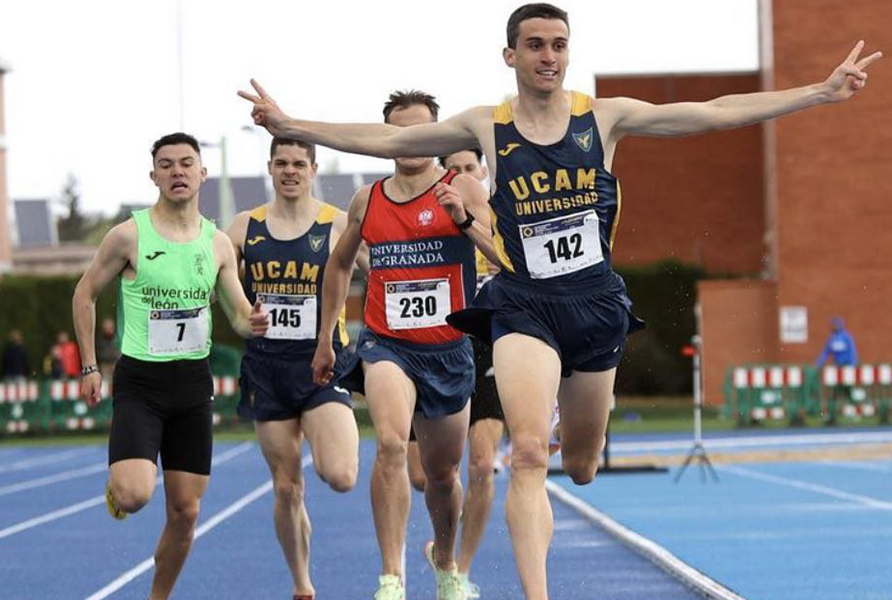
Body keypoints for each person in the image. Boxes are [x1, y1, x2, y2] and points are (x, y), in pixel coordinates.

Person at [239, 6, 879, 598]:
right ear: (510, 55)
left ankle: (569, 433)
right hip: (523, 304)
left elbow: (712, 110)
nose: (549, 55)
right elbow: (384, 142)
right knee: (524, 452)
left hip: (595, 302)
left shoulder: (603, 118)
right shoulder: (482, 126)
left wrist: (819, 92)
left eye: (559, 45)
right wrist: (290, 123)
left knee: (579, 463)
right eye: (535, 45)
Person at [301, 90, 497, 600]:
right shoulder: (367, 200)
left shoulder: (465, 187)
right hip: (387, 344)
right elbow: (339, 264)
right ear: (385, 137)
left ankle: (447, 561)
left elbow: (503, 255)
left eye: (421, 132)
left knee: (442, 473)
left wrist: (464, 221)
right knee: (389, 443)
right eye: (399, 132)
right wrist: (326, 338)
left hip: (450, 348)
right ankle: (391, 577)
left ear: (439, 136)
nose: (410, 143)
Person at [72, 132, 269, 600]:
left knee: (186, 512)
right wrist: (88, 367)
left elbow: (238, 314)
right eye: (167, 164)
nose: (177, 171)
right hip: (141, 383)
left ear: (203, 173)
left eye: (186, 163)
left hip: (192, 387)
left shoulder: (218, 244)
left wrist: (254, 321)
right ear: (154, 175)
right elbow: (85, 293)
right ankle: (118, 486)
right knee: (134, 495)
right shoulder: (128, 235)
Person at [224, 137, 362, 600]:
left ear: (313, 168)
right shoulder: (244, 228)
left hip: (324, 363)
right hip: (268, 369)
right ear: (269, 167)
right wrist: (242, 313)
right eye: (281, 163)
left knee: (341, 475)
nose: (289, 171)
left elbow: (381, 270)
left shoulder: (337, 222)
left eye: (298, 164)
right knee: (287, 488)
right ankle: (302, 584)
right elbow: (213, 279)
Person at [405, 147, 506, 599]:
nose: (462, 177)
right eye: (455, 170)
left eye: (470, 169)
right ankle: (444, 547)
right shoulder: (426, 215)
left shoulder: (502, 217)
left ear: (482, 172)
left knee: (484, 463)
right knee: (425, 477)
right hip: (437, 343)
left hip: (489, 347)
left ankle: (459, 571)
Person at [817, 316, 860, 424]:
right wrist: (819, 363)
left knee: (848, 390)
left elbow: (852, 352)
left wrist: (852, 365)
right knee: (834, 392)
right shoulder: (832, 339)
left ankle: (854, 412)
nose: (834, 327)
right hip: (837, 368)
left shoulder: (846, 337)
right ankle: (832, 415)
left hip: (847, 368)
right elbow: (826, 352)